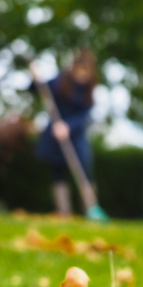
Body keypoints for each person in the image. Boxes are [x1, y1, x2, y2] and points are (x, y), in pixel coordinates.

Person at [33, 50, 98, 216]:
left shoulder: (88, 91)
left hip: (76, 134)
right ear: (74, 68)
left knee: (84, 169)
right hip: (55, 134)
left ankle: (91, 209)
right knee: (58, 171)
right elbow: (39, 88)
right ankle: (63, 212)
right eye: (80, 70)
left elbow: (85, 115)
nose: (82, 75)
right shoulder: (60, 82)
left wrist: (68, 126)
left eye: (86, 71)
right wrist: (35, 78)